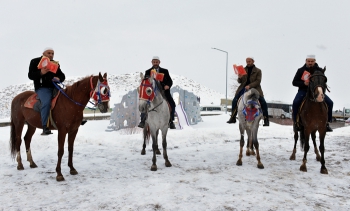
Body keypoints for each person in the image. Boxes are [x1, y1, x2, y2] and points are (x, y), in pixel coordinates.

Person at [28, 48, 66, 135]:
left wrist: (59, 78)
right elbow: (30, 75)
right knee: (46, 103)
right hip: (42, 88)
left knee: (68, 97)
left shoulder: (55, 64)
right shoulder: (35, 61)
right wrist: (41, 73)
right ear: (43, 53)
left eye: (52, 53)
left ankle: (77, 119)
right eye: (49, 53)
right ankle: (45, 126)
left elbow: (62, 75)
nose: (51, 55)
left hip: (55, 87)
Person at [292, 55, 333, 132]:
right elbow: (294, 82)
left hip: (316, 91)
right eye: (308, 61)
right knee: (295, 102)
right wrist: (304, 83)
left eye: (312, 61)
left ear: (315, 61)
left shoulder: (320, 70)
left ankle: (327, 123)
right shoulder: (300, 70)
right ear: (306, 61)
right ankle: (296, 123)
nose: (310, 63)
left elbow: (323, 81)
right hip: (303, 91)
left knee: (330, 103)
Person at [226, 57, 269, 126]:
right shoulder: (243, 70)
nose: (248, 63)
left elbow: (258, 81)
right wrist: (239, 77)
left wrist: (250, 86)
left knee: (263, 101)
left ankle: (266, 119)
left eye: (249, 61)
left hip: (255, 88)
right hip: (244, 88)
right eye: (247, 61)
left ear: (253, 61)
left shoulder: (258, 71)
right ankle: (233, 117)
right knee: (235, 100)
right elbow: (240, 81)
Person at [138, 56, 176, 129]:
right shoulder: (148, 71)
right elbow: (145, 82)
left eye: (157, 62)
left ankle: (171, 121)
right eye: (154, 62)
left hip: (163, 91)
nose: (155, 63)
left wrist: (168, 85)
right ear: (152, 62)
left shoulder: (165, 71)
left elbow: (170, 81)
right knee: (145, 103)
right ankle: (142, 121)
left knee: (172, 104)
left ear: (159, 62)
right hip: (151, 92)